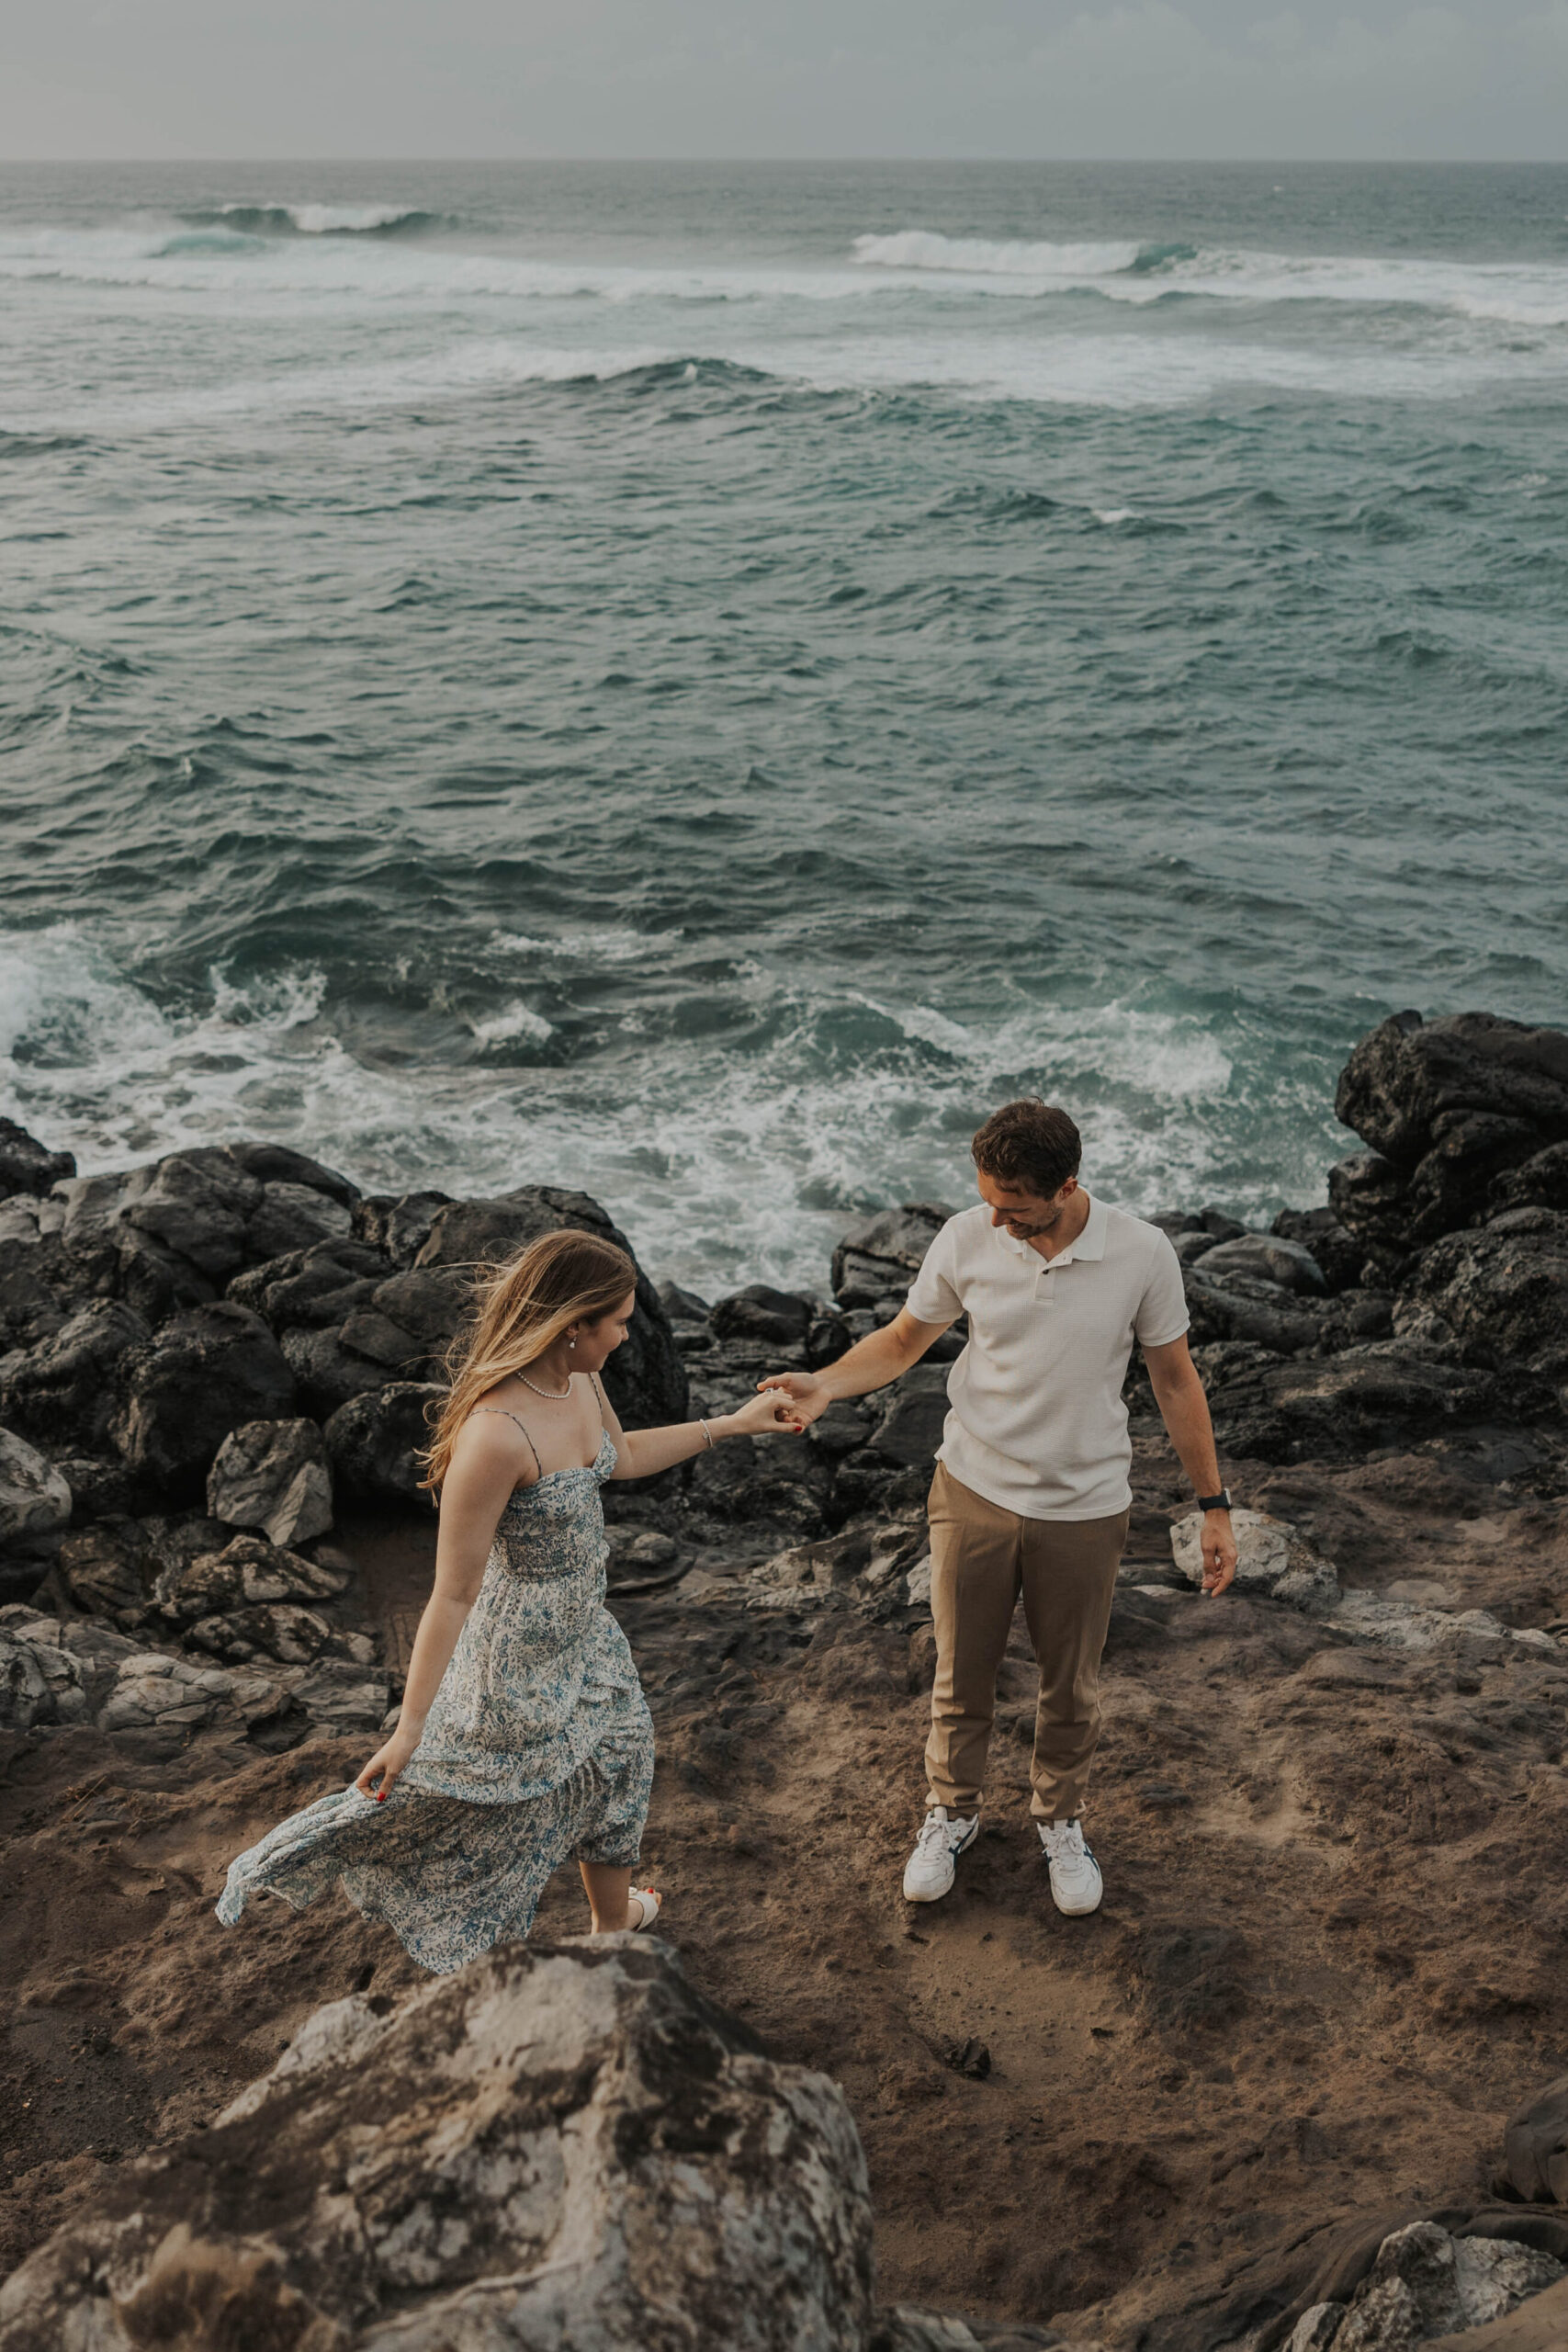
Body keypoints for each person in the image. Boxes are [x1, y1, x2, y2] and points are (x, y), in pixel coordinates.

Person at [217, 1227, 800, 1973]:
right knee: (491, 1805)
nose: (627, 1335)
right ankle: (473, 1957)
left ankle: (611, 1922)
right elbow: (452, 1595)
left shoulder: (577, 1379)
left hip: (584, 1632)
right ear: (571, 1328)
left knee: (620, 1759)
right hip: (512, 1661)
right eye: (617, 1321)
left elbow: (617, 1459)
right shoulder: (494, 1436)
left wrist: (734, 1425)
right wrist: (408, 1729)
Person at [761, 1101, 1238, 1919]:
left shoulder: (1141, 1253)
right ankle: (951, 1813)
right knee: (960, 1673)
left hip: (1085, 1506)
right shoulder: (966, 1236)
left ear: (1065, 1187)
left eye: (1013, 1207)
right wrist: (827, 1384)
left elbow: (1173, 1379)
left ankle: (1059, 1821)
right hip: (971, 1489)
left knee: (1071, 1685)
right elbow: (906, 1339)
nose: (996, 1220)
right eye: (988, 1200)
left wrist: (1214, 1508)